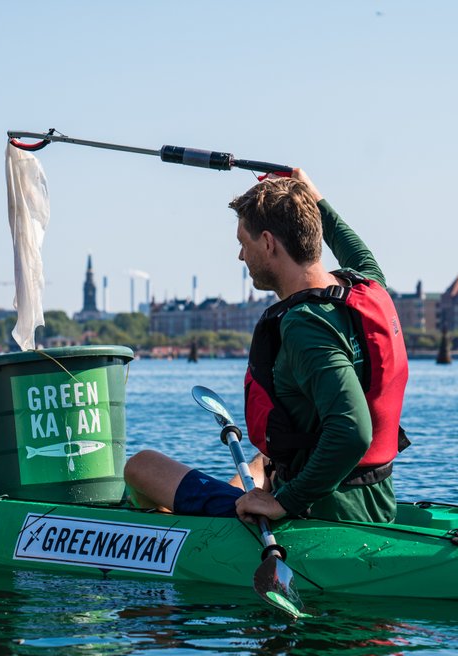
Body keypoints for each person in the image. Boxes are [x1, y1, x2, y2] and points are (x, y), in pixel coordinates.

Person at [125, 169, 408, 524]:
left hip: (318, 515)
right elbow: (356, 249)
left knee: (142, 466)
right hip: (373, 501)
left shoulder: (306, 325)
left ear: (269, 243)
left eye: (244, 242)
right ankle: (236, 503)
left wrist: (284, 502)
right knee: (266, 459)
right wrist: (316, 198)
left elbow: (352, 432)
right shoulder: (368, 286)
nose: (241, 256)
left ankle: (201, 532)